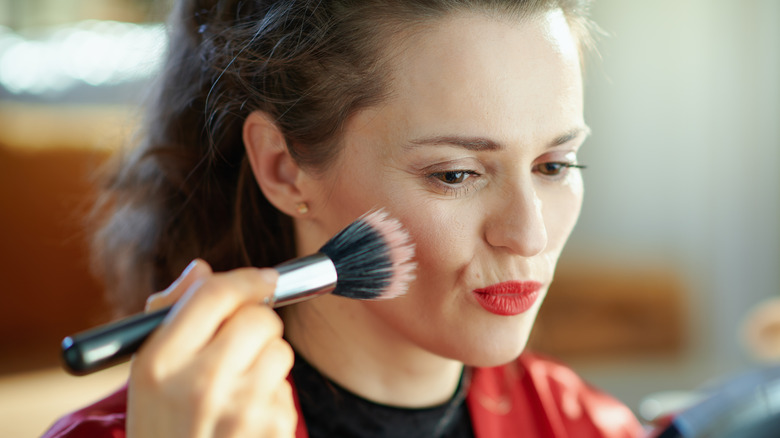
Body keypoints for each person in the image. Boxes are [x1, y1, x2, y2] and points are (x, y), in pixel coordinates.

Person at [43, 0, 645, 437]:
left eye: (555, 166)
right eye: (456, 174)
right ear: (283, 168)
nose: (530, 233)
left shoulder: (584, 423)